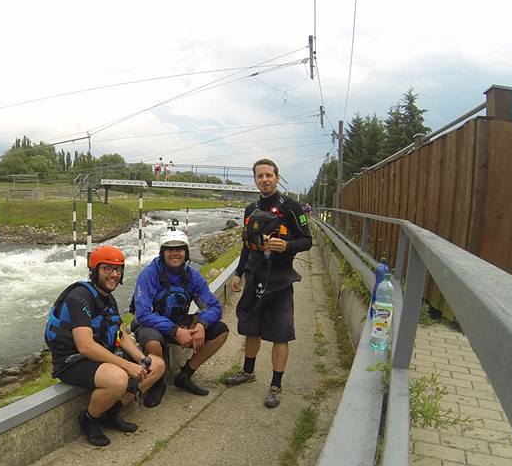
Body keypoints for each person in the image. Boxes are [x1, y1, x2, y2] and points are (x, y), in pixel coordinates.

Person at [45, 246, 165, 447]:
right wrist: (127, 366)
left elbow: (120, 334)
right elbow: (85, 346)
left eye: (118, 270)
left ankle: (112, 411)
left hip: (99, 354)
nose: (114, 275)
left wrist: (141, 359)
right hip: (71, 360)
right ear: (95, 270)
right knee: (118, 379)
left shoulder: (107, 297)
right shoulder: (79, 297)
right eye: (107, 269)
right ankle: (90, 419)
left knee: (157, 365)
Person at [223, 159, 312, 408]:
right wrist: (239, 273)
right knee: (251, 328)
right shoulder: (250, 209)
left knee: (280, 334)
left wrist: (287, 245)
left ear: (277, 177)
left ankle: (275, 385)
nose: (264, 180)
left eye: (268, 175)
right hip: (255, 276)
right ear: (255, 180)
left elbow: (307, 241)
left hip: (280, 280)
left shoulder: (291, 207)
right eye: (260, 176)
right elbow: (246, 246)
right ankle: (248, 372)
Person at [132, 229, 228, 406]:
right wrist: (175, 330)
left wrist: (201, 324)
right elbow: (143, 313)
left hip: (180, 322)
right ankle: (157, 384)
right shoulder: (149, 274)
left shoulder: (192, 276)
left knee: (221, 331)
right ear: (162, 253)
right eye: (169, 249)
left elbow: (213, 306)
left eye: (179, 249)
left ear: (186, 253)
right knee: (153, 342)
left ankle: (185, 375)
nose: (175, 253)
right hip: (150, 325)